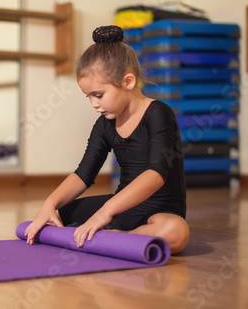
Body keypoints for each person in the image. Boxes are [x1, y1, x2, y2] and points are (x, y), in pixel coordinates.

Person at [24, 25, 189, 254]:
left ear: (128, 82)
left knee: (176, 232)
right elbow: (84, 174)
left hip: (158, 212)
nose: (94, 104)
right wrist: (49, 204)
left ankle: (118, 237)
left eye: (98, 95)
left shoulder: (158, 113)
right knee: (52, 217)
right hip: (120, 208)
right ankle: (110, 238)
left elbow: (156, 175)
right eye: (88, 97)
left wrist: (104, 213)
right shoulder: (104, 124)